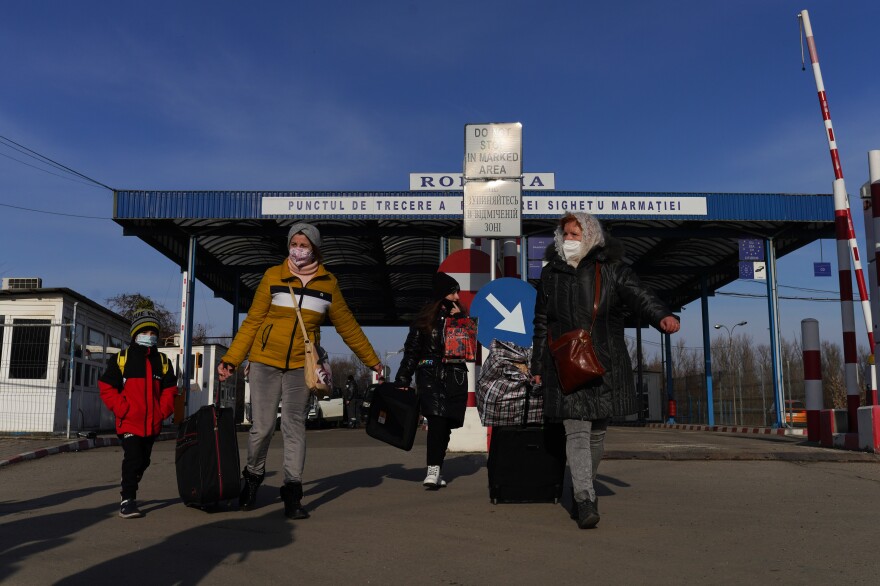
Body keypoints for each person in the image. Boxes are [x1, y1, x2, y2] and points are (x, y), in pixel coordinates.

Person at [217, 222, 384, 519]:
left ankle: (292, 493)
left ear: (315, 249)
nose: (298, 250)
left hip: (301, 366)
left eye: (304, 245)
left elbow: (349, 328)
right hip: (264, 361)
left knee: (294, 427)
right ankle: (253, 477)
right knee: (263, 427)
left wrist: (373, 361)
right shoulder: (272, 276)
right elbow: (252, 322)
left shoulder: (328, 284)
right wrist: (232, 359)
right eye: (294, 243)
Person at [531, 211, 680, 529]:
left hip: (604, 362)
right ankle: (585, 498)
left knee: (597, 433)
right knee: (577, 432)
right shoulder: (550, 275)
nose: (569, 240)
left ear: (591, 237)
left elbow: (640, 296)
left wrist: (661, 316)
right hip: (565, 366)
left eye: (576, 234)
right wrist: (537, 365)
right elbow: (542, 322)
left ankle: (583, 483)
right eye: (566, 235)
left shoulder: (613, 270)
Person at [98, 307, 177, 519]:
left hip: (152, 423)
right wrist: (123, 409)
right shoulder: (121, 359)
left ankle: (130, 480)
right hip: (129, 422)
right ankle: (128, 500)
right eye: (145, 333)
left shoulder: (163, 362)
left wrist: (162, 411)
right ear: (134, 334)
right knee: (132, 458)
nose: (149, 337)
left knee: (144, 460)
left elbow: (170, 390)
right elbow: (106, 387)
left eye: (153, 334)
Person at [394, 271, 469, 490]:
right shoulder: (424, 319)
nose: (457, 297)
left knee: (446, 424)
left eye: (457, 292)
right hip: (430, 374)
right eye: (453, 292)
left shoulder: (460, 317)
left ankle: (438, 468)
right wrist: (403, 377)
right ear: (442, 294)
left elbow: (468, 347)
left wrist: (458, 321)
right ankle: (432, 469)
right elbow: (412, 350)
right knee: (436, 419)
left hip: (454, 375)